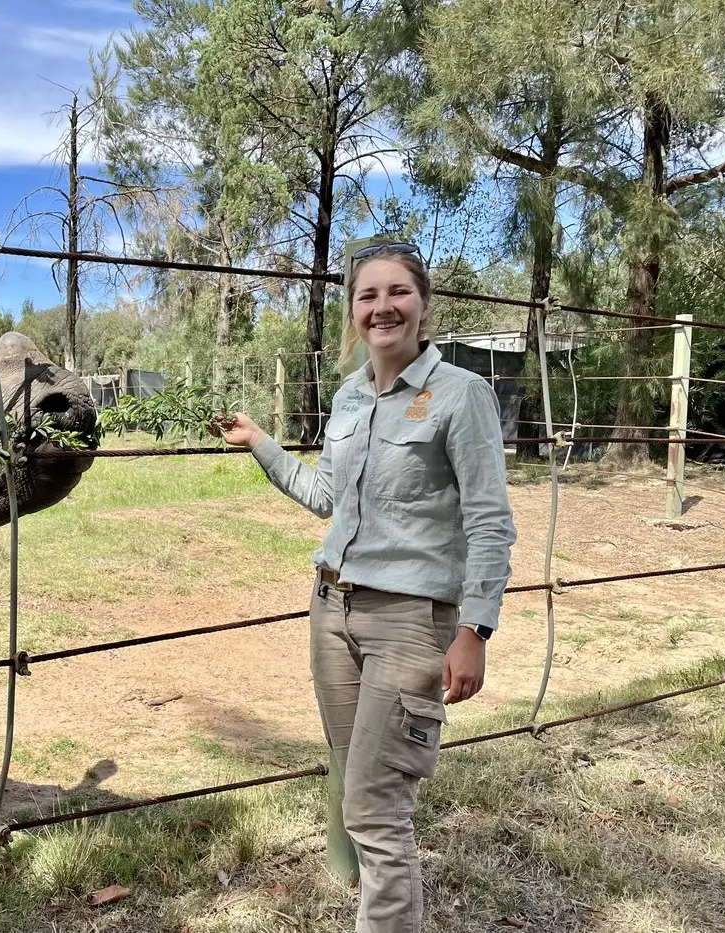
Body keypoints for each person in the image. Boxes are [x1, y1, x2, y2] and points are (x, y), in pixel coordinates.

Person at [210, 242, 517, 933]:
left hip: (410, 622)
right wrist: (260, 440)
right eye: (367, 295)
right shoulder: (350, 398)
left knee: (377, 810)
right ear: (353, 313)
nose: (383, 307)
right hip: (331, 611)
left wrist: (475, 629)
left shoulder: (462, 396)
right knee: (356, 793)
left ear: (424, 305)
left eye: (398, 292)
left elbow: (491, 524)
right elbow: (326, 496)